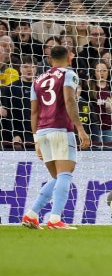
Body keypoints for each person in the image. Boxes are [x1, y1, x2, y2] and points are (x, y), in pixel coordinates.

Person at [21, 45, 92, 230]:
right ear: (69, 58)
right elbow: (70, 100)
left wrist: (36, 139)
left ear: (50, 59)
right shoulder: (69, 74)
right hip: (60, 129)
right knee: (65, 174)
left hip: (42, 131)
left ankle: (32, 214)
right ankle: (55, 219)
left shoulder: (37, 80)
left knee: (57, 177)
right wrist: (80, 129)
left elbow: (34, 112)